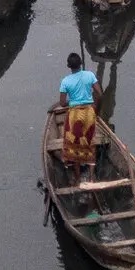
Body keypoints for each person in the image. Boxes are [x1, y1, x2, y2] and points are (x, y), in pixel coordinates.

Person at [57, 53, 99, 182]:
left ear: (69, 66)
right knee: (90, 142)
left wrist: (73, 101)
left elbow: (62, 103)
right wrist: (94, 105)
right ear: (80, 64)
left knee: (74, 145)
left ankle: (77, 178)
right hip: (89, 113)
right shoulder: (90, 75)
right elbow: (99, 93)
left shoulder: (65, 81)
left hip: (75, 115)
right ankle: (91, 178)